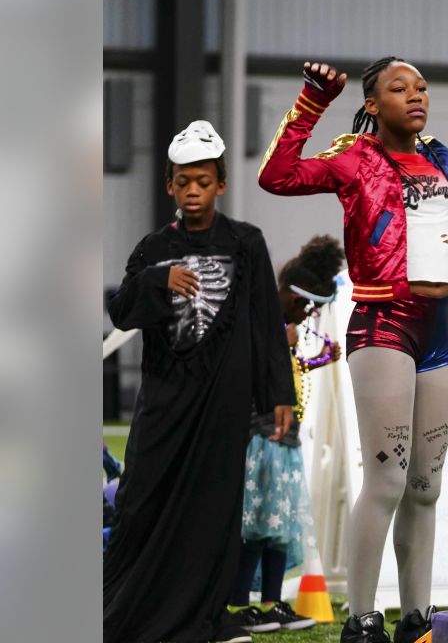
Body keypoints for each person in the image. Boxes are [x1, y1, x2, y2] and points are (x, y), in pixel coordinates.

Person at [258, 58, 448, 643]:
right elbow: (278, 175)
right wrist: (312, 100)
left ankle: (417, 617)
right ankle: (362, 617)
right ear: (373, 104)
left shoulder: (441, 159)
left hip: (437, 329)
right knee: (387, 481)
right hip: (382, 324)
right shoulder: (354, 160)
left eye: (422, 87)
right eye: (399, 88)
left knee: (426, 486)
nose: (415, 96)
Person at [104, 121, 295, 643]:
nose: (193, 191)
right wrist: (155, 279)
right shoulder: (152, 247)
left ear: (221, 184)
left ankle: (204, 619)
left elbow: (264, 323)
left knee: (214, 511)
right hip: (165, 399)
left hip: (223, 402)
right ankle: (122, 616)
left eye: (203, 181)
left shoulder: (245, 243)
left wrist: (279, 394)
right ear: (170, 185)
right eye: (184, 181)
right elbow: (120, 313)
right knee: (140, 502)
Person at [226, 235, 346, 635]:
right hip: (260, 441)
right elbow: (248, 376)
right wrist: (281, 341)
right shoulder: (256, 322)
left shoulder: (284, 331)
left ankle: (273, 603)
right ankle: (239, 604)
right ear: (289, 295)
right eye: (301, 305)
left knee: (279, 528)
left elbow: (284, 378)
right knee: (254, 527)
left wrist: (314, 362)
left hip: (287, 441)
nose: (303, 314)